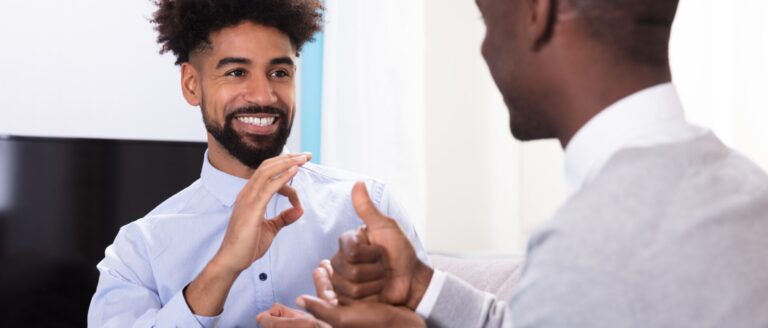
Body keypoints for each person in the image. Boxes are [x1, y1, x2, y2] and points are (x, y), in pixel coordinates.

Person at [298, 0, 768, 326]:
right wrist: (423, 287)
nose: (484, 49)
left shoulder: (594, 245)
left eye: (485, 17)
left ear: (535, 13)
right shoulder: (743, 189)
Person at [87, 1, 427, 327]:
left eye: (279, 72)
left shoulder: (371, 209)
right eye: (236, 72)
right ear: (192, 85)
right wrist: (224, 265)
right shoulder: (138, 251)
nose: (264, 96)